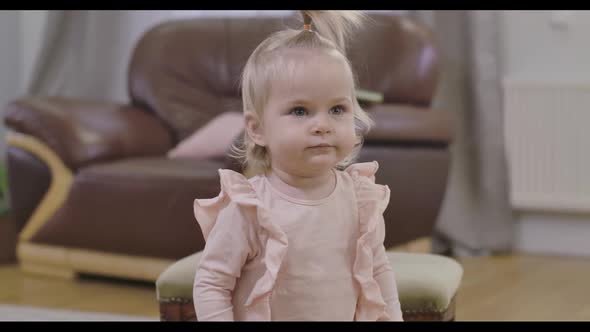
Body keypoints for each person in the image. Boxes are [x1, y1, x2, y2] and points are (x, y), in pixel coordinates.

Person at [192, 10, 403, 321]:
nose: (322, 125)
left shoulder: (360, 200)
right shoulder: (250, 208)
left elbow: (379, 270)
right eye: (301, 111)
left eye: (337, 109)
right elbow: (211, 283)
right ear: (257, 129)